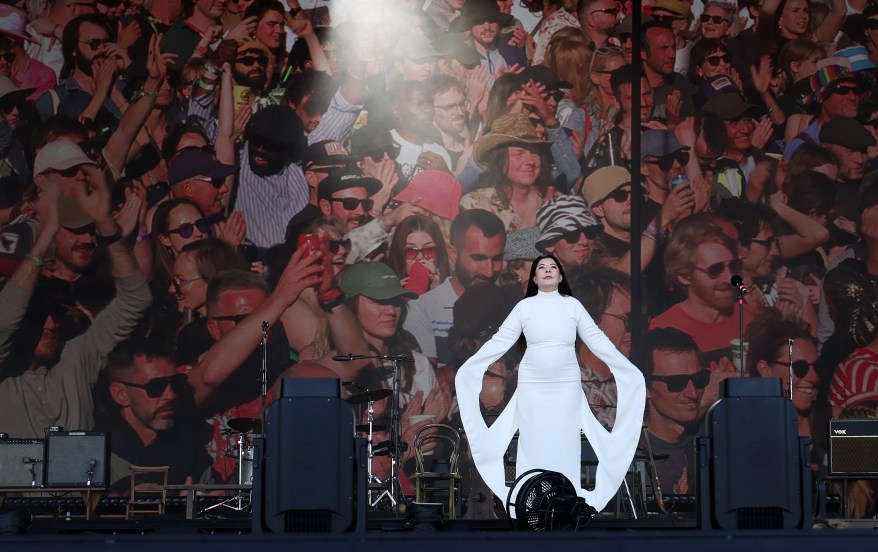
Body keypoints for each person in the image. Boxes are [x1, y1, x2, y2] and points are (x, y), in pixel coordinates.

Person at [455, 254, 645, 512]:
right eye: (541, 268)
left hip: (566, 382)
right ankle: (531, 504)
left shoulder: (573, 307)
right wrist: (473, 366)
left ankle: (565, 505)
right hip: (533, 381)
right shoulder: (524, 308)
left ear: (560, 276)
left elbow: (598, 339)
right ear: (534, 277)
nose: (547, 271)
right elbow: (501, 340)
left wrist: (627, 370)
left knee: (566, 444)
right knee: (533, 443)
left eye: (553, 267)